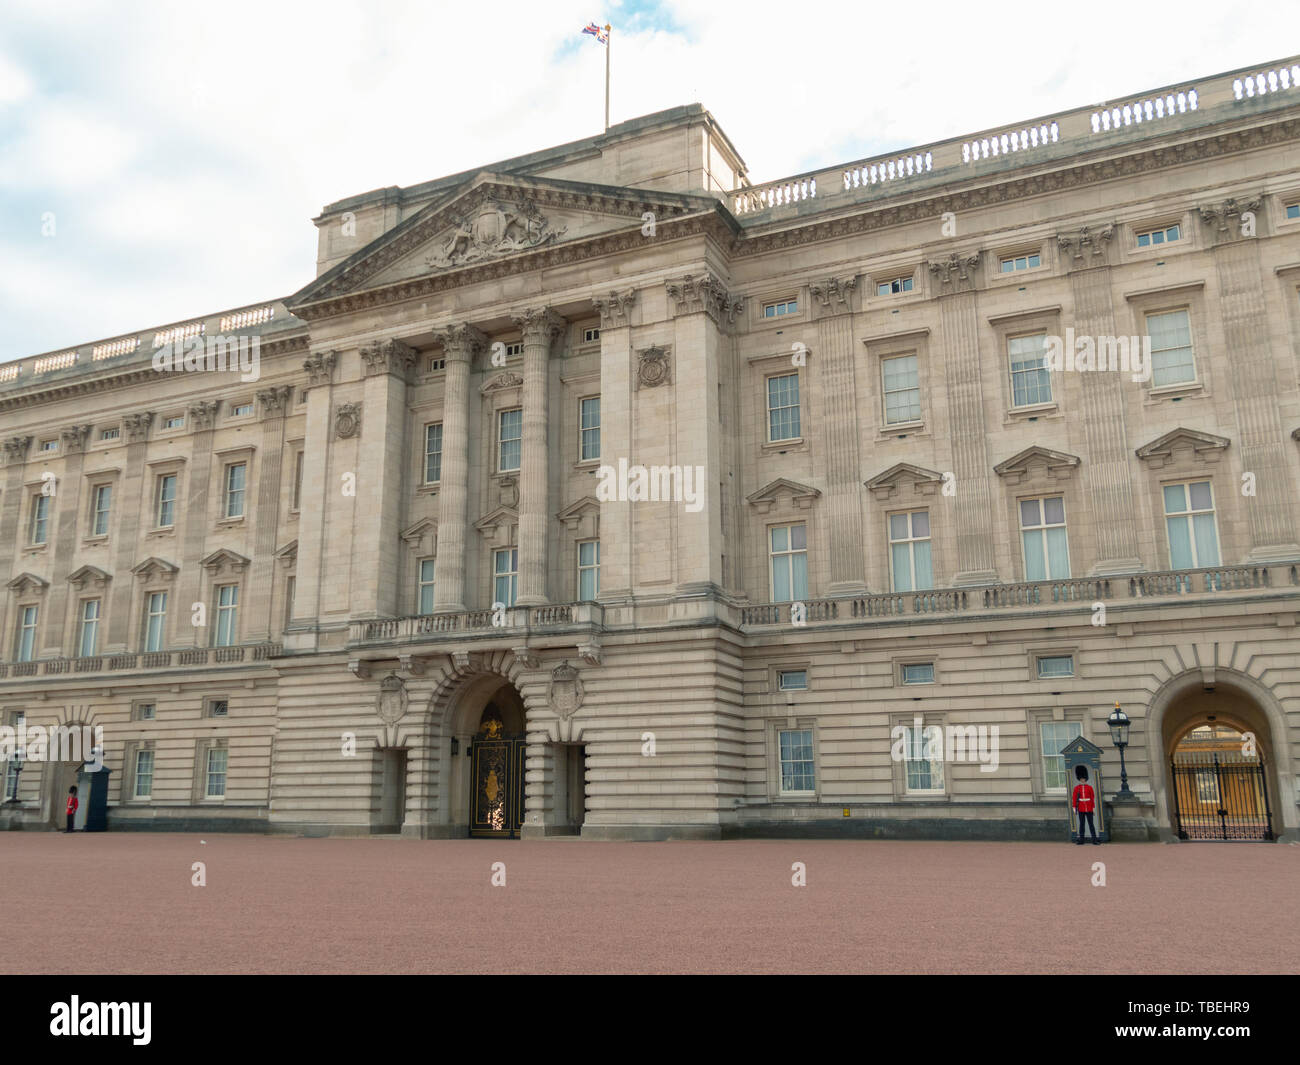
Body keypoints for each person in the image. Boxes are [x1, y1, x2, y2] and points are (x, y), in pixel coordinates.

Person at [1071, 767, 1100, 845]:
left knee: (1091, 824)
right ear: (1079, 779)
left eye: (1083, 779)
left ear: (1085, 779)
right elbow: (1074, 798)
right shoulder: (1076, 788)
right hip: (1080, 808)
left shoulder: (1089, 787)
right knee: (1082, 824)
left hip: (1089, 808)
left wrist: (1093, 808)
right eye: (1081, 779)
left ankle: (1094, 840)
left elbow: (1092, 798)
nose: (1082, 780)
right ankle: (1081, 840)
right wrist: (1074, 807)